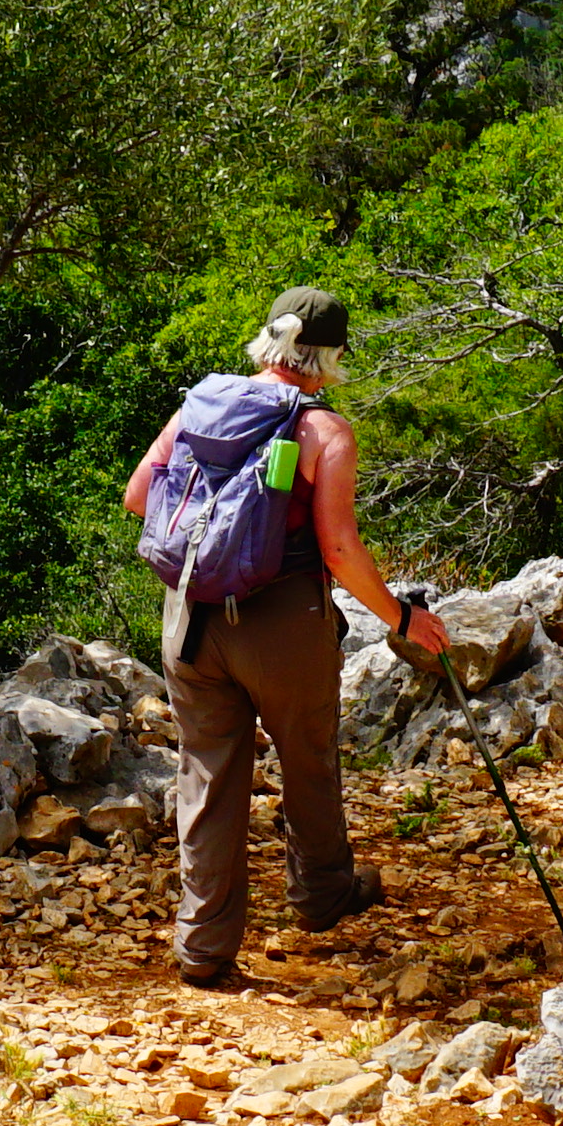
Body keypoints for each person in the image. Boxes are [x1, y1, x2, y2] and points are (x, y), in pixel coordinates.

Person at [122, 287, 449, 992]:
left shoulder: (201, 406)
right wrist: (400, 616)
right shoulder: (324, 432)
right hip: (281, 625)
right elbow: (337, 548)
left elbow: (138, 498)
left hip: (189, 620)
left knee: (207, 776)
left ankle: (203, 949)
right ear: (329, 355)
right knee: (306, 754)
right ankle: (322, 893)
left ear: (270, 341)